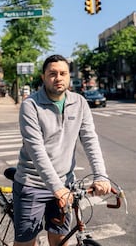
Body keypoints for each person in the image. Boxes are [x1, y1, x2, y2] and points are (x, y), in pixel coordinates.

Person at [13, 54, 111, 246]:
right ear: (43, 77)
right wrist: (56, 187)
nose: (58, 78)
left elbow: (90, 140)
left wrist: (100, 176)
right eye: (52, 74)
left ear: (68, 76)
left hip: (66, 184)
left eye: (63, 73)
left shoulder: (80, 102)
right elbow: (36, 150)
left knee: (60, 240)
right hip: (33, 183)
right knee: (26, 243)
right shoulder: (30, 105)